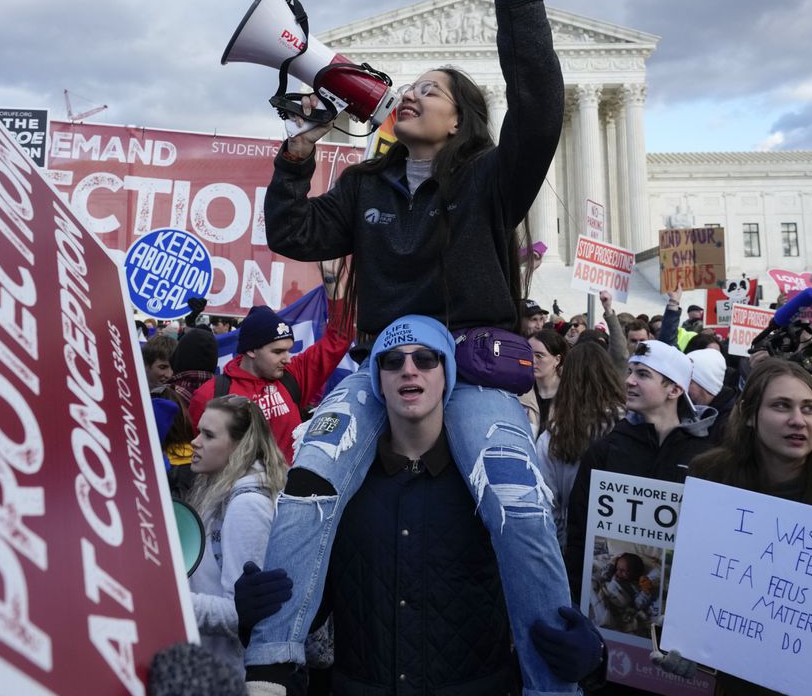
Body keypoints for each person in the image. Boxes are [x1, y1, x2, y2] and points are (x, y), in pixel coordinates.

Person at [252, 0, 576, 695]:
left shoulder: (491, 181)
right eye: (410, 89)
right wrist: (296, 157)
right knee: (309, 482)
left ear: (461, 117)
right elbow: (293, 235)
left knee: (517, 502)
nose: (412, 95)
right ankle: (270, 662)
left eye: (432, 90)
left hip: (468, 367)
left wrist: (519, 7)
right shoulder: (364, 184)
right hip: (378, 366)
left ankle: (552, 677)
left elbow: (540, 108)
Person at [242, 317, 605, 694]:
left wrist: (590, 657)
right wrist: (260, 614)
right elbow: (321, 602)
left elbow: (533, 586)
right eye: (392, 361)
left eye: (426, 359)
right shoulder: (348, 487)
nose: (408, 369)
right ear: (377, 379)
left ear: (448, 374)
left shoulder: (484, 490)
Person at [654, 360, 812, 694]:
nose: (798, 420)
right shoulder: (711, 481)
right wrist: (689, 636)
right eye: (782, 406)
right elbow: (699, 576)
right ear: (750, 415)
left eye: (810, 409)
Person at [564, 341, 717, 597]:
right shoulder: (606, 450)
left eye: (643, 374)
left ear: (675, 389)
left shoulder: (706, 457)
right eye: (630, 371)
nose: (629, 381)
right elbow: (579, 532)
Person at [189, 288, 352, 463]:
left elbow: (339, 338)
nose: (288, 359)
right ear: (251, 350)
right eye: (278, 352)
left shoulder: (292, 376)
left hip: (288, 488)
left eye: (288, 350)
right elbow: (203, 458)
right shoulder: (211, 394)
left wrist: (334, 286)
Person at [187, 395, 289, 674]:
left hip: (230, 674)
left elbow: (241, 612)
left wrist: (171, 600)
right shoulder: (222, 488)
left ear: (239, 448)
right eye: (199, 431)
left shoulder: (247, 505)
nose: (195, 442)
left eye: (208, 435)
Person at [536, 342, 624, 548]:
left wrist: (562, 548)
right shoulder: (629, 424)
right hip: (620, 543)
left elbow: (548, 504)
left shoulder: (553, 436)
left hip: (573, 542)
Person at [686, 348, 736, 443]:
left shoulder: (729, 425)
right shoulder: (686, 408)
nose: (682, 387)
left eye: (689, 381)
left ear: (706, 385)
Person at [529, 329, 569, 432]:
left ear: (557, 360)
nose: (532, 360)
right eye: (528, 353)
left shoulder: (570, 395)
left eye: (539, 356)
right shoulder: (520, 393)